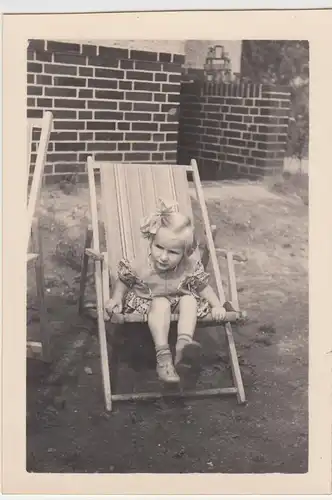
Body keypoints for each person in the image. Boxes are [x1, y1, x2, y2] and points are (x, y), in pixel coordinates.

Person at [105, 199, 226, 384]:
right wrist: (116, 299)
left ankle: (183, 347)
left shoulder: (188, 267)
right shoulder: (140, 265)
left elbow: (202, 287)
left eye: (172, 252)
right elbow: (123, 281)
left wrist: (217, 305)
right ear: (151, 241)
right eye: (159, 247)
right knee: (161, 302)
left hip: (175, 303)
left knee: (190, 299)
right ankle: (163, 358)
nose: (163, 257)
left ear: (184, 253)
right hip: (147, 303)